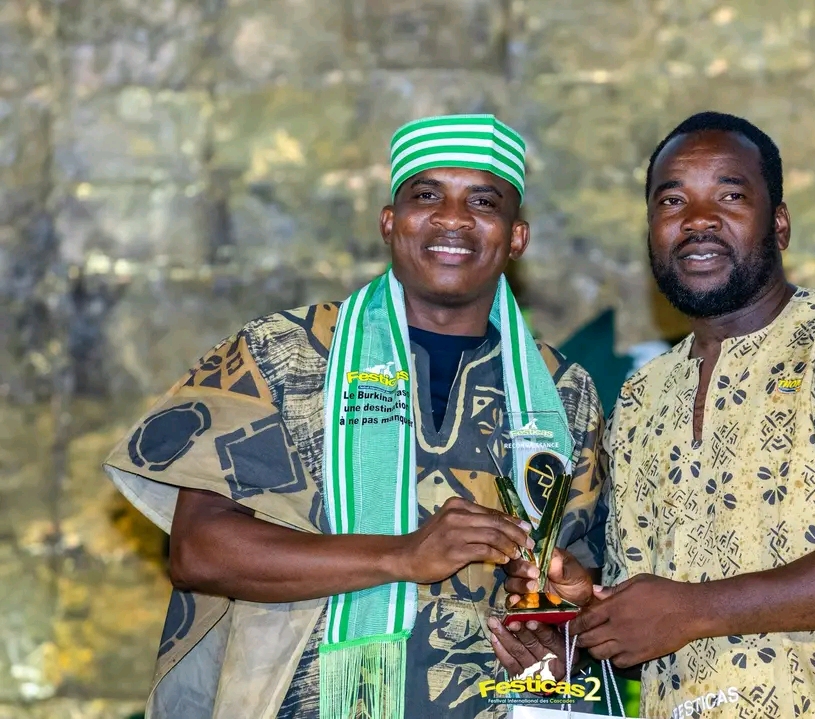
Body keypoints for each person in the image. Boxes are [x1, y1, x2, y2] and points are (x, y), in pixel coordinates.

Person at [102, 114, 605, 719]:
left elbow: (583, 599)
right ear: (390, 223)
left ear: (516, 237)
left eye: (483, 200)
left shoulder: (564, 393)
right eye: (426, 196)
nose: (452, 218)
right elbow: (200, 550)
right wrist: (401, 555)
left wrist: (559, 645)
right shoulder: (279, 353)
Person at [494, 111, 815, 718]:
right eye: (673, 201)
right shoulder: (643, 396)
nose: (698, 220)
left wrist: (693, 609)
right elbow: (654, 606)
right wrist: (583, 610)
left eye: (729, 194)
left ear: (779, 223)